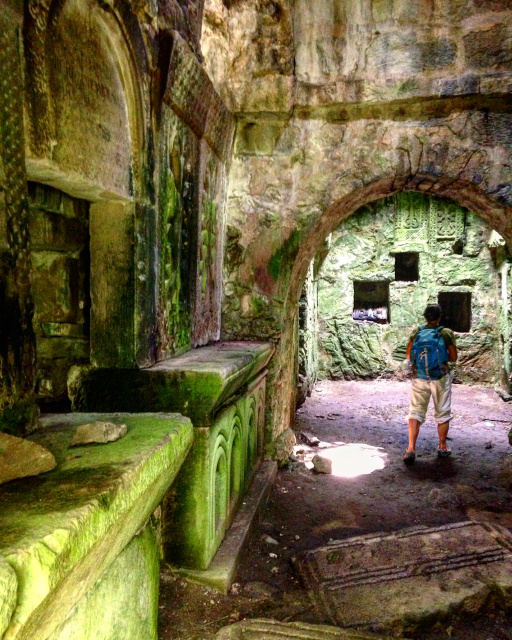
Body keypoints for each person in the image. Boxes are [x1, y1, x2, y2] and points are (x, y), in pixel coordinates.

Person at [403, 304, 457, 464]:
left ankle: (410, 449)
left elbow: (408, 354)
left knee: (415, 411)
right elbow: (453, 357)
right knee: (442, 410)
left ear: (425, 317)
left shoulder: (417, 332)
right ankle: (442, 447)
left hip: (419, 376)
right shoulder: (445, 333)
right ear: (439, 317)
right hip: (440, 377)